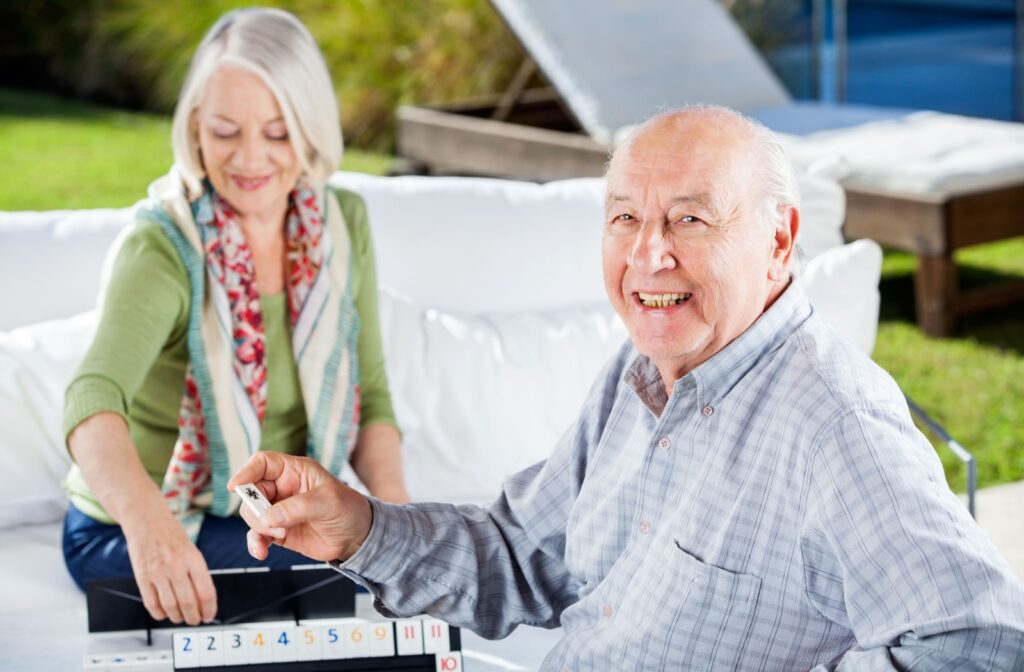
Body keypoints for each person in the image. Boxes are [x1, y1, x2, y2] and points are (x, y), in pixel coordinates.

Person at [228, 106, 1024, 670]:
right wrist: (355, 527)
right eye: (623, 219)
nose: (649, 257)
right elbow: (522, 558)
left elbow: (981, 645)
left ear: (779, 240)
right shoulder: (639, 375)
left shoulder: (834, 426)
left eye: (689, 220)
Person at [62, 8, 409, 628]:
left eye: (277, 133)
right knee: (336, 571)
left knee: (374, 560)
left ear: (309, 130)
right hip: (135, 527)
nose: (250, 159)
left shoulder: (341, 225)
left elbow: (374, 397)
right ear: (196, 127)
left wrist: (404, 529)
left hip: (265, 512)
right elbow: (92, 398)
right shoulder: (164, 246)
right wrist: (152, 531)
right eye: (226, 131)